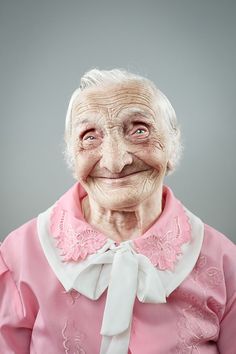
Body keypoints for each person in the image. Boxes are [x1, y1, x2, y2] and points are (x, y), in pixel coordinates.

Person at [0, 68, 235, 354]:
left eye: (139, 130)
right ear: (71, 154)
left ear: (173, 142)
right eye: (89, 137)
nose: (115, 162)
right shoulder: (17, 257)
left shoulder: (224, 263)